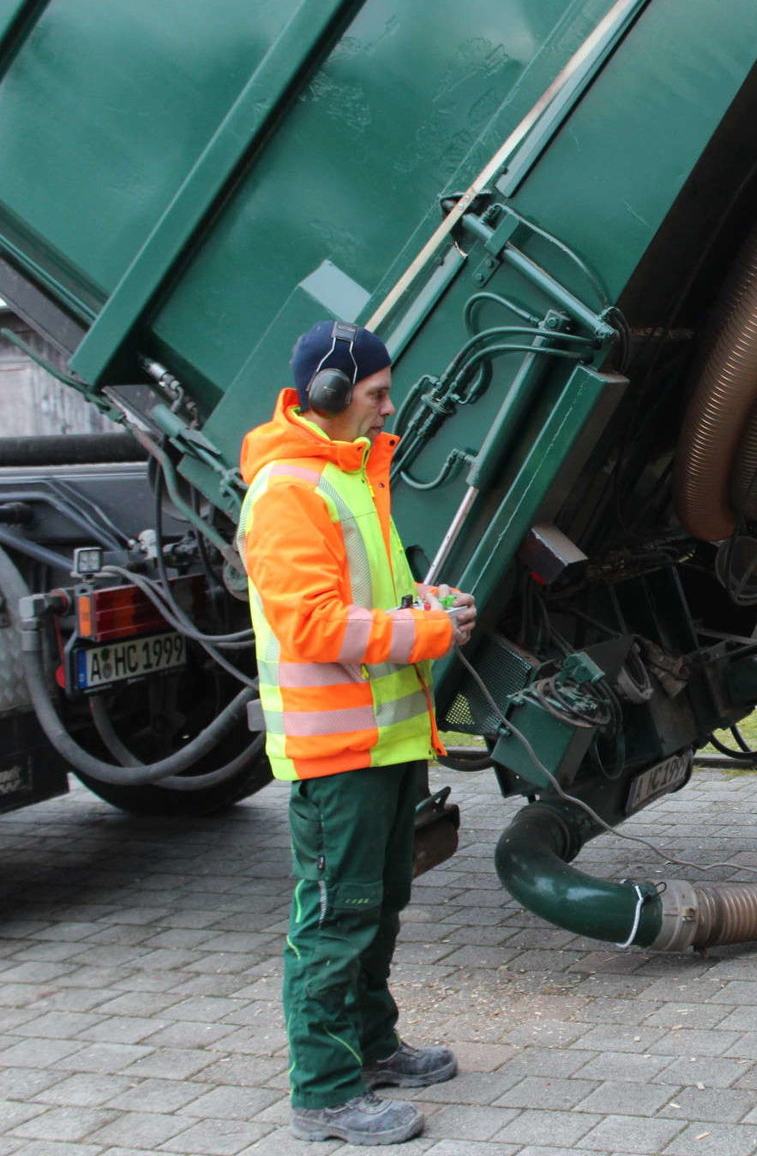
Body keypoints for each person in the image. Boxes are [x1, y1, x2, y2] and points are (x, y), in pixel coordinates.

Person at [238, 320, 477, 1145]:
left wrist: (429, 605)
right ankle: (325, 1093)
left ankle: (372, 1047)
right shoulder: (289, 491)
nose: (388, 405)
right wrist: (428, 634)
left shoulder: (348, 476)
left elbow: (377, 602)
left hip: (381, 744)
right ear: (334, 395)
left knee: (378, 907)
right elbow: (314, 627)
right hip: (337, 754)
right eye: (376, 393)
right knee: (339, 920)